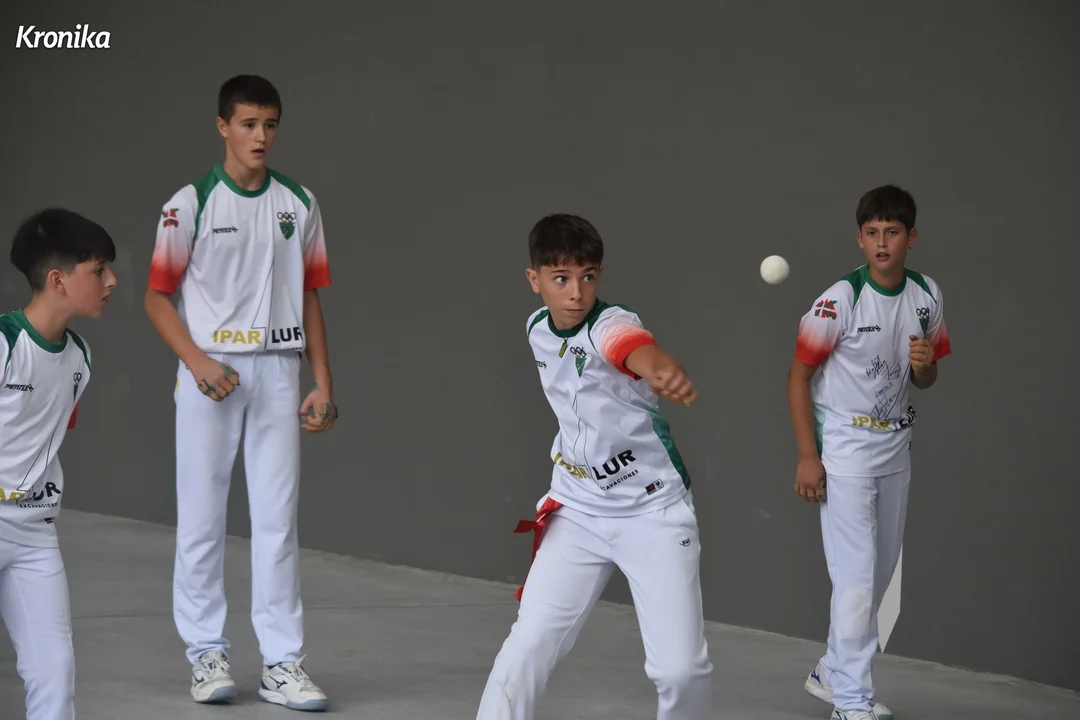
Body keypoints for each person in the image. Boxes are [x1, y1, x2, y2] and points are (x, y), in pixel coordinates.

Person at [144, 74, 336, 712]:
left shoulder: (299, 203)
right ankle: (206, 654)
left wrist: (322, 382)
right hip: (211, 377)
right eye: (249, 124)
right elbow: (156, 297)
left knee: (278, 523)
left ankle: (283, 664)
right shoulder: (190, 203)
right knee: (202, 519)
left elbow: (309, 295)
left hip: (279, 373)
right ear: (223, 126)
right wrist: (198, 362)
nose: (261, 136)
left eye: (270, 125)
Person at [476, 214, 713, 720]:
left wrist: (663, 370)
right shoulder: (536, 328)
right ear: (534, 280)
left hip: (652, 514)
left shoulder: (611, 324)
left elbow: (635, 348)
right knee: (528, 644)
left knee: (680, 671)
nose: (576, 292)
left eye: (587, 276)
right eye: (561, 278)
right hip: (577, 510)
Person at [786, 185, 952, 720]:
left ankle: (833, 669)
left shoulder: (926, 295)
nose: (883, 243)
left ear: (911, 237)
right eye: (873, 233)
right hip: (845, 450)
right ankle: (851, 702)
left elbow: (925, 379)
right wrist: (809, 456)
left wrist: (925, 365)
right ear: (859, 238)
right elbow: (798, 378)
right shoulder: (839, 300)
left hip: (896, 447)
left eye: (893, 232)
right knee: (856, 579)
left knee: (878, 577)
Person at [1, 208, 117, 720]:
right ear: (57, 279)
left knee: (55, 674)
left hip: (35, 533)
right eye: (99, 270)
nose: (112, 282)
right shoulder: (4, 344)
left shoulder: (80, 358)